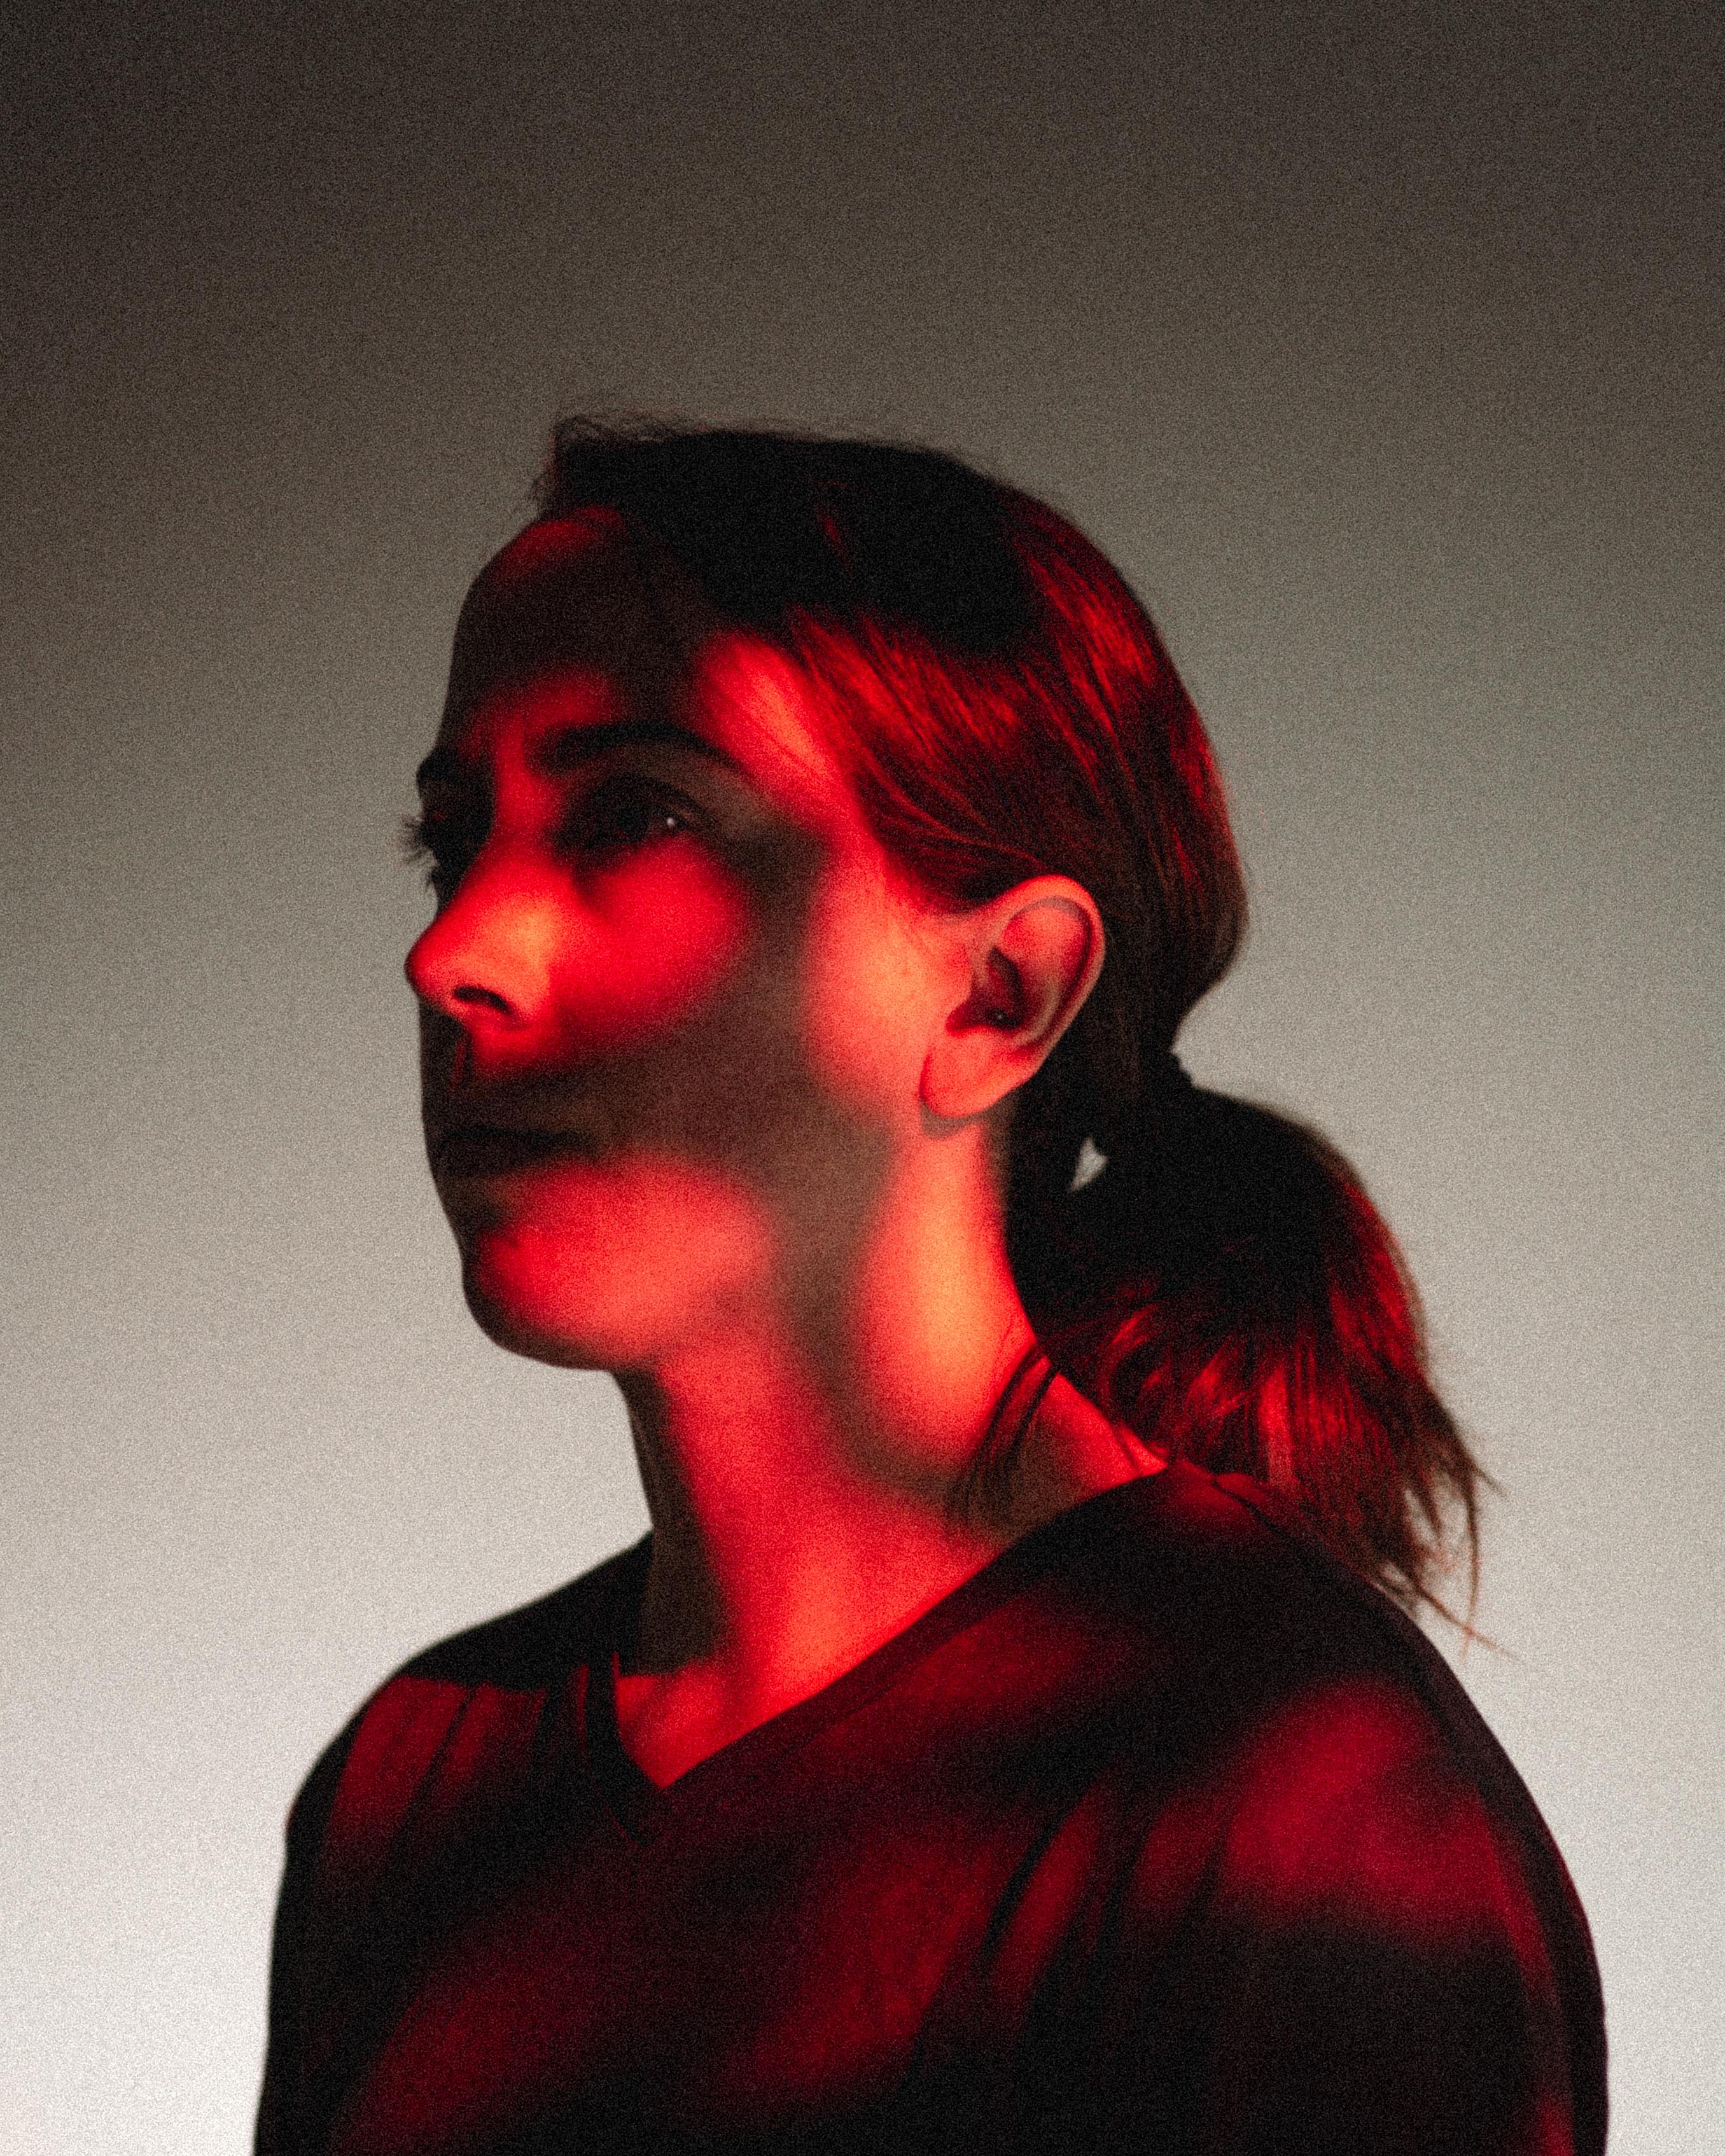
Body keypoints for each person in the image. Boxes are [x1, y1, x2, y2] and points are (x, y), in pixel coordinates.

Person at [255, 422, 1607, 2155]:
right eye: (455, 843)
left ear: (1000, 994)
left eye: (637, 815)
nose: (454, 951)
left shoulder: (1289, 1803)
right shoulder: (410, 1789)